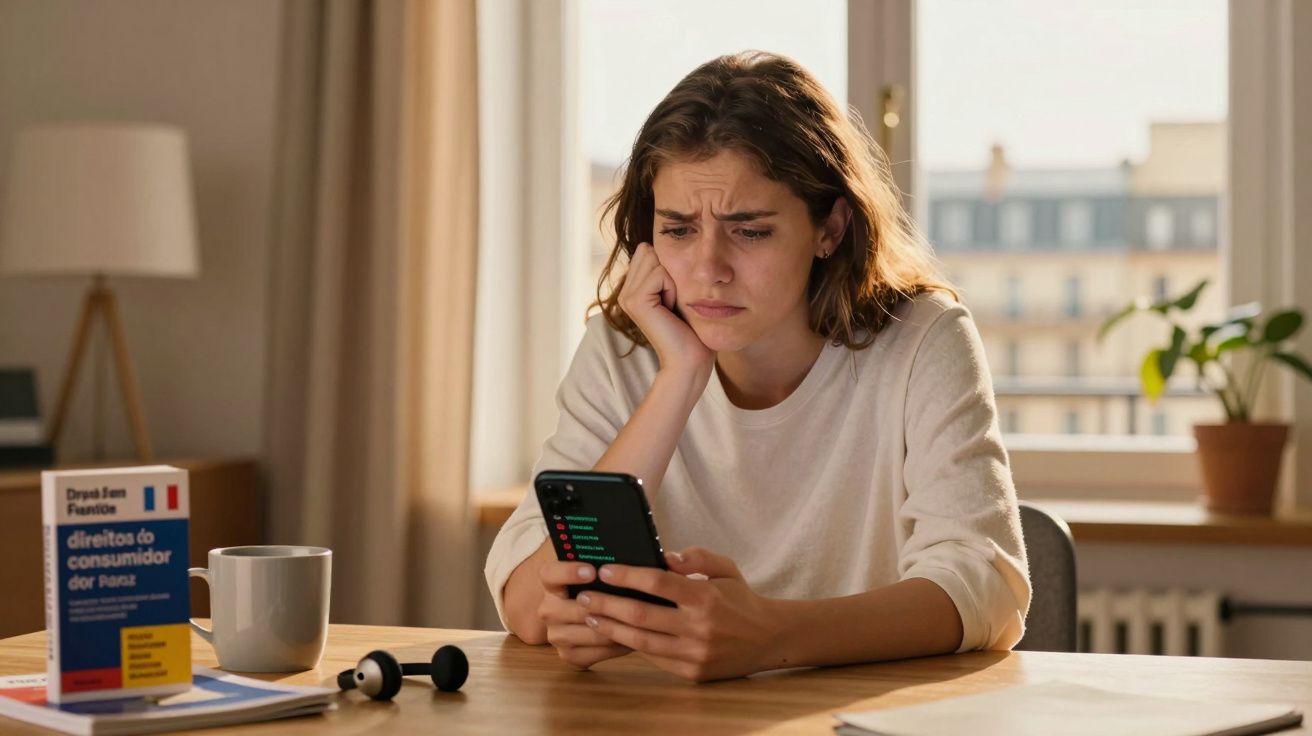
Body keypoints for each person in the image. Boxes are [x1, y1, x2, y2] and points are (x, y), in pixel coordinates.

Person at [485, 51, 1030, 682]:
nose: (709, 268)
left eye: (749, 231)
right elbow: (523, 595)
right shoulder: (622, 347)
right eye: (679, 229)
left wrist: (767, 635)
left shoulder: (923, 338)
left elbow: (987, 588)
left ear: (829, 227)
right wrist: (681, 376)